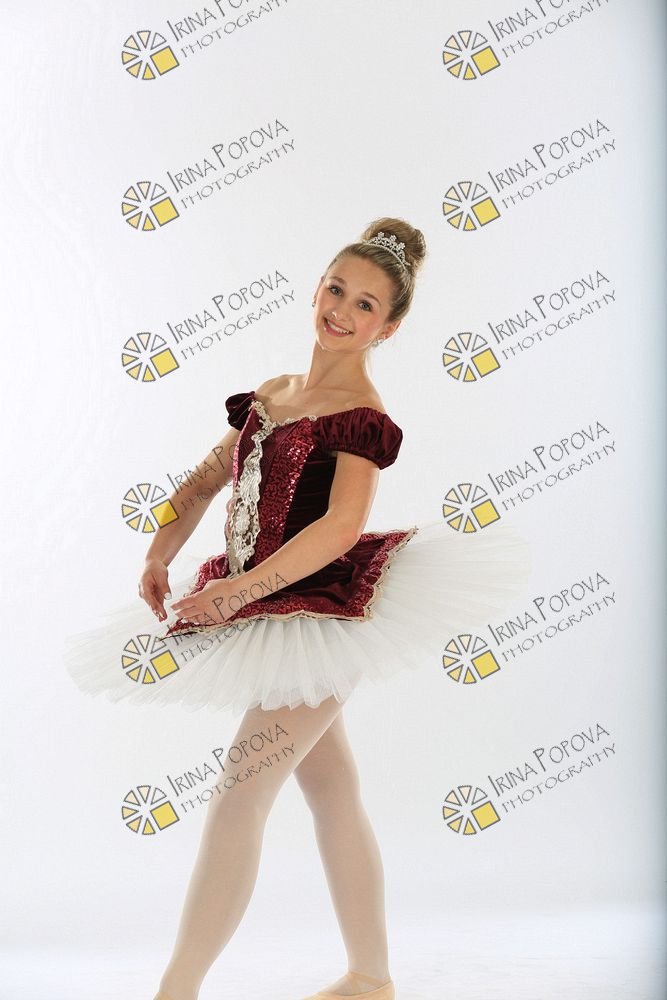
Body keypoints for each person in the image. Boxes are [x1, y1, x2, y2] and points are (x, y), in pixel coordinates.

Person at [63, 217, 532, 1000]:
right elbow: (202, 483)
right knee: (330, 787)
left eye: (365, 305)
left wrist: (237, 591)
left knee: (238, 796)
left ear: (388, 328)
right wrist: (158, 552)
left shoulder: (358, 414)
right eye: (335, 289)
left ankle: (175, 991)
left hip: (318, 612)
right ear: (316, 287)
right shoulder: (271, 395)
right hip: (262, 604)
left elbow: (341, 527)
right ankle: (370, 978)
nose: (341, 311)